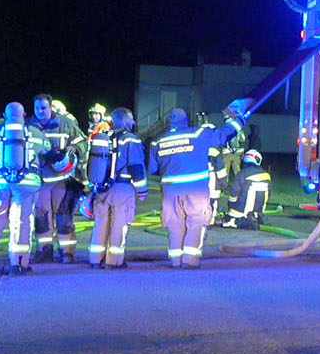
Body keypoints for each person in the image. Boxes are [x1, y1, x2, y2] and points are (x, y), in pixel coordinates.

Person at [148, 102, 251, 268]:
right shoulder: (199, 134)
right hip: (195, 189)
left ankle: (175, 261)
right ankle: (190, 261)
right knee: (196, 223)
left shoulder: (157, 142)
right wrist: (241, 120)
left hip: (170, 191)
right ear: (186, 121)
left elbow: (153, 170)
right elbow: (224, 134)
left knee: (175, 226)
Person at [0, 103, 50, 275]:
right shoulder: (36, 134)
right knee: (21, 222)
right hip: (27, 185)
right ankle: (18, 264)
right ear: (24, 115)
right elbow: (48, 153)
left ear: (4, 115)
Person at [27, 93, 86, 263]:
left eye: (43, 107)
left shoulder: (65, 125)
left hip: (62, 181)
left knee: (64, 218)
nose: (40, 111)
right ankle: (44, 251)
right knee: (41, 219)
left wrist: (74, 149)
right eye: (37, 108)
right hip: (40, 182)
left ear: (51, 107)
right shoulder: (29, 126)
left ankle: (67, 252)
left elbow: (82, 142)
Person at [85, 107, 146, 269]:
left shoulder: (104, 137)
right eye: (131, 118)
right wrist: (142, 190)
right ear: (126, 120)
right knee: (119, 226)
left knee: (100, 225)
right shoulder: (131, 139)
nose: (133, 122)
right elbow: (136, 166)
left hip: (101, 189)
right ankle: (114, 261)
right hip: (122, 189)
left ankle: (95, 260)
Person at [221, 150, 271, 229]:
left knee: (226, 221)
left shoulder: (242, 173)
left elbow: (234, 192)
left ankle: (235, 222)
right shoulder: (266, 175)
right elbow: (269, 194)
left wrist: (230, 206)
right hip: (259, 211)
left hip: (241, 212)